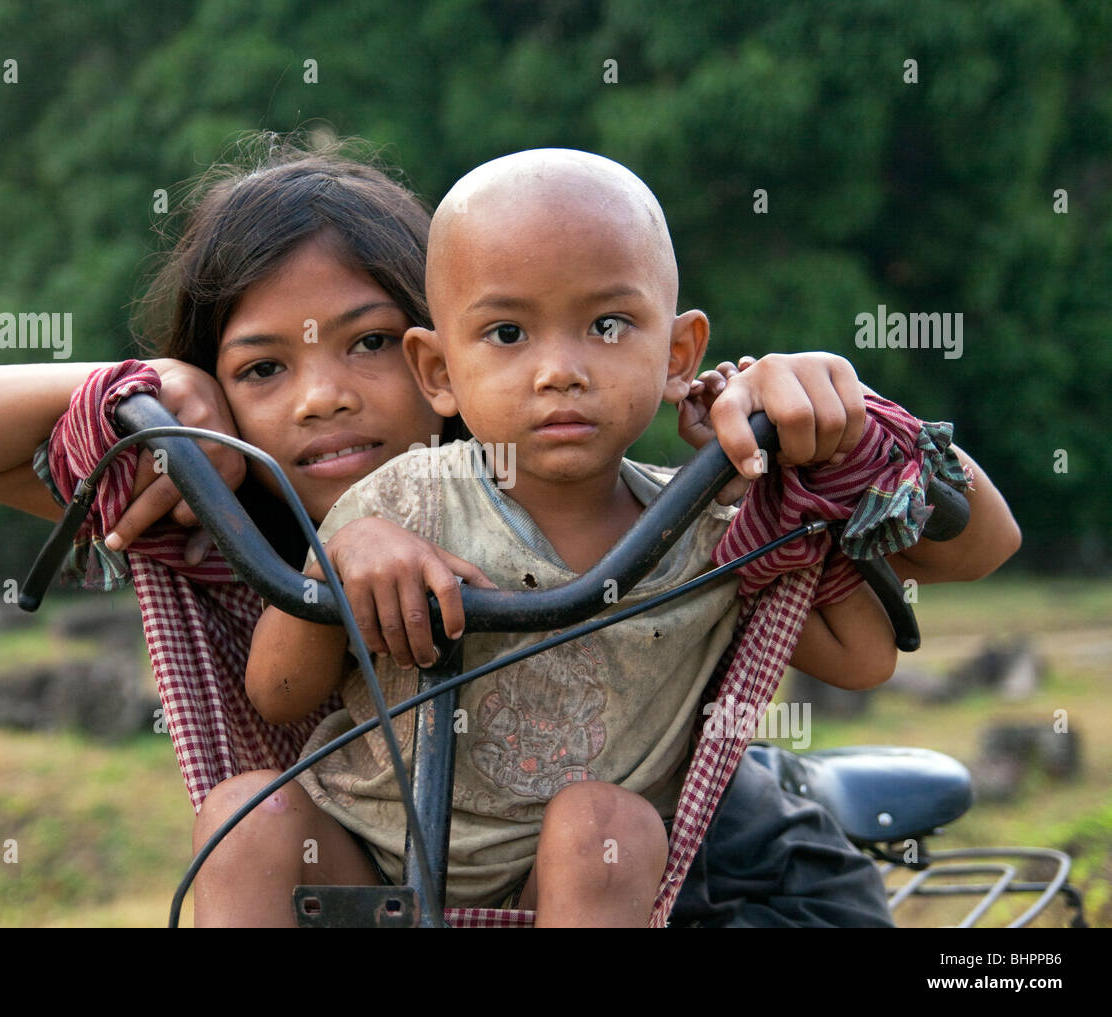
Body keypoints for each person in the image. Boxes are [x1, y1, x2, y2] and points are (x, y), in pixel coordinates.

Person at [240, 148, 1021, 927]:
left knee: (600, 824)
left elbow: (865, 658)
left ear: (679, 355)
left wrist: (806, 473)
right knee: (245, 816)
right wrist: (338, 567)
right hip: (375, 869)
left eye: (607, 325)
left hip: (580, 887)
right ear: (438, 369)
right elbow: (276, 695)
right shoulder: (403, 498)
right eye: (508, 332)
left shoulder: (712, 530)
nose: (561, 371)